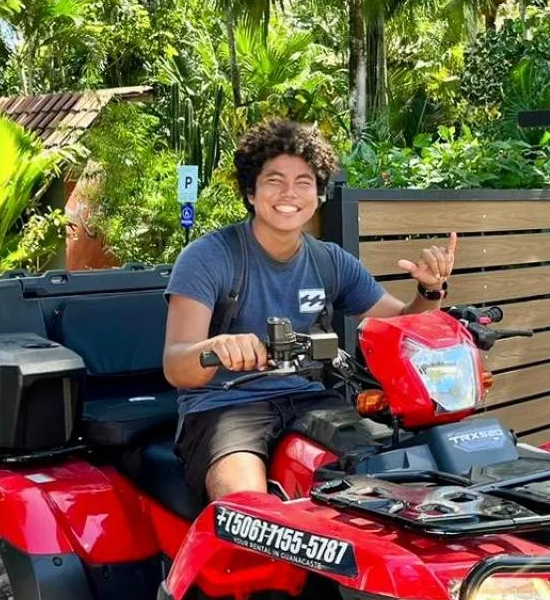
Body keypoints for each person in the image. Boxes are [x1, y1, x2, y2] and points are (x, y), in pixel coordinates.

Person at [163, 118, 457, 502]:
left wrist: (430, 290)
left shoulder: (329, 260)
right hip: (226, 407)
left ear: (318, 194)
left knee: (392, 476)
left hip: (311, 401)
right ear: (250, 192)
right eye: (274, 180)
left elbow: (403, 322)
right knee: (246, 508)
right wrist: (218, 346)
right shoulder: (208, 257)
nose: (289, 192)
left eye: (304, 182)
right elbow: (175, 365)